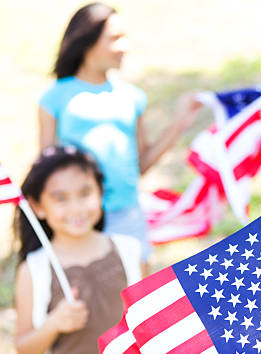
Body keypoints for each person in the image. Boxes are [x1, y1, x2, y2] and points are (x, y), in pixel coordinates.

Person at [38, 2, 203, 262]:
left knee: (140, 297)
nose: (124, 46)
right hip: (79, 219)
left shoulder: (132, 97)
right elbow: (45, 169)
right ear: (87, 41)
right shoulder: (55, 97)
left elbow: (140, 165)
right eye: (115, 38)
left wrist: (179, 123)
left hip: (128, 215)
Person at [11, 146, 142, 354]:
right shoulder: (34, 270)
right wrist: (53, 324)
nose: (76, 207)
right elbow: (25, 351)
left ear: (100, 193)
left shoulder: (129, 252)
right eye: (60, 198)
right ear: (37, 207)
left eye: (85, 193)